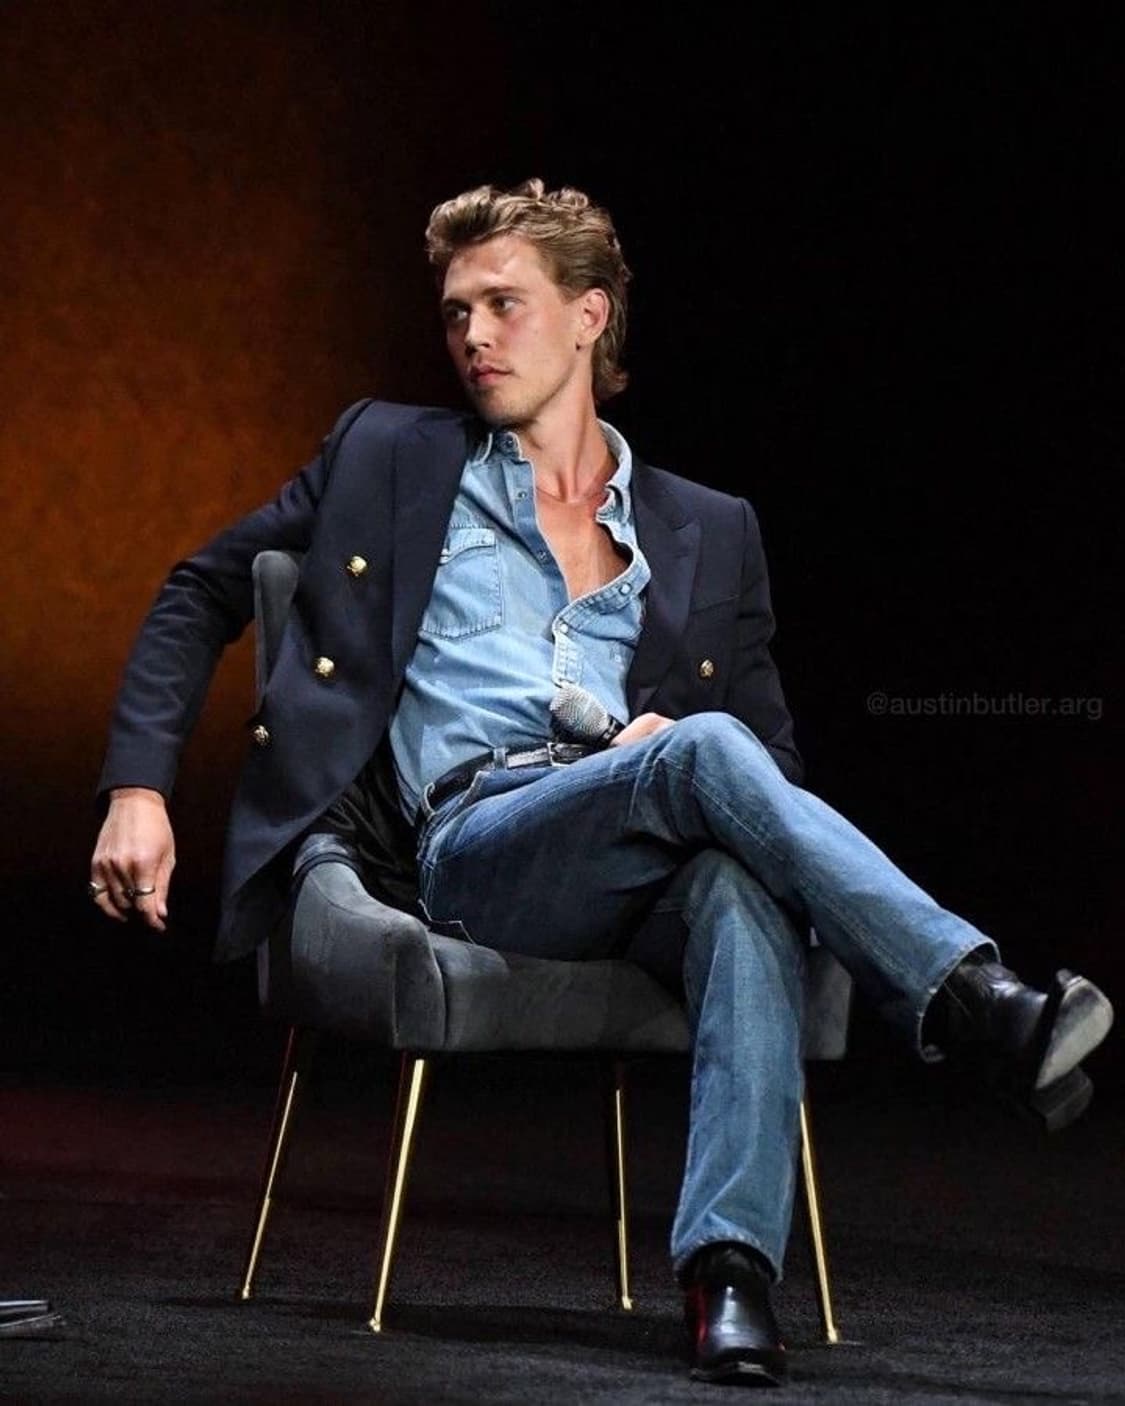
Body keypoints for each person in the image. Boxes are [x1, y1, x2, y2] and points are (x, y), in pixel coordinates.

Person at [90, 179, 1113, 1388]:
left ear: (588, 316)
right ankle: (973, 999)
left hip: (638, 858)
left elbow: (774, 774)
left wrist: (664, 752)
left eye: (503, 304)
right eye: (456, 310)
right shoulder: (391, 455)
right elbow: (200, 589)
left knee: (736, 877)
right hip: (471, 844)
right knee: (703, 751)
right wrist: (138, 787)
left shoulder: (710, 528)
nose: (471, 334)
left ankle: (728, 1273)